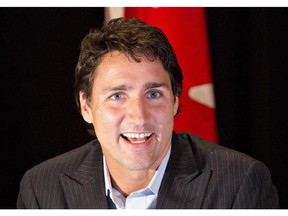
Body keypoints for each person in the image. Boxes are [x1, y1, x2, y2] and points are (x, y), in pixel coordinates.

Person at [17, 17, 278, 209]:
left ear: (175, 101)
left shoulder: (239, 182)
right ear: (86, 106)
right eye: (117, 96)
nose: (138, 117)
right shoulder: (43, 188)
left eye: (153, 94)